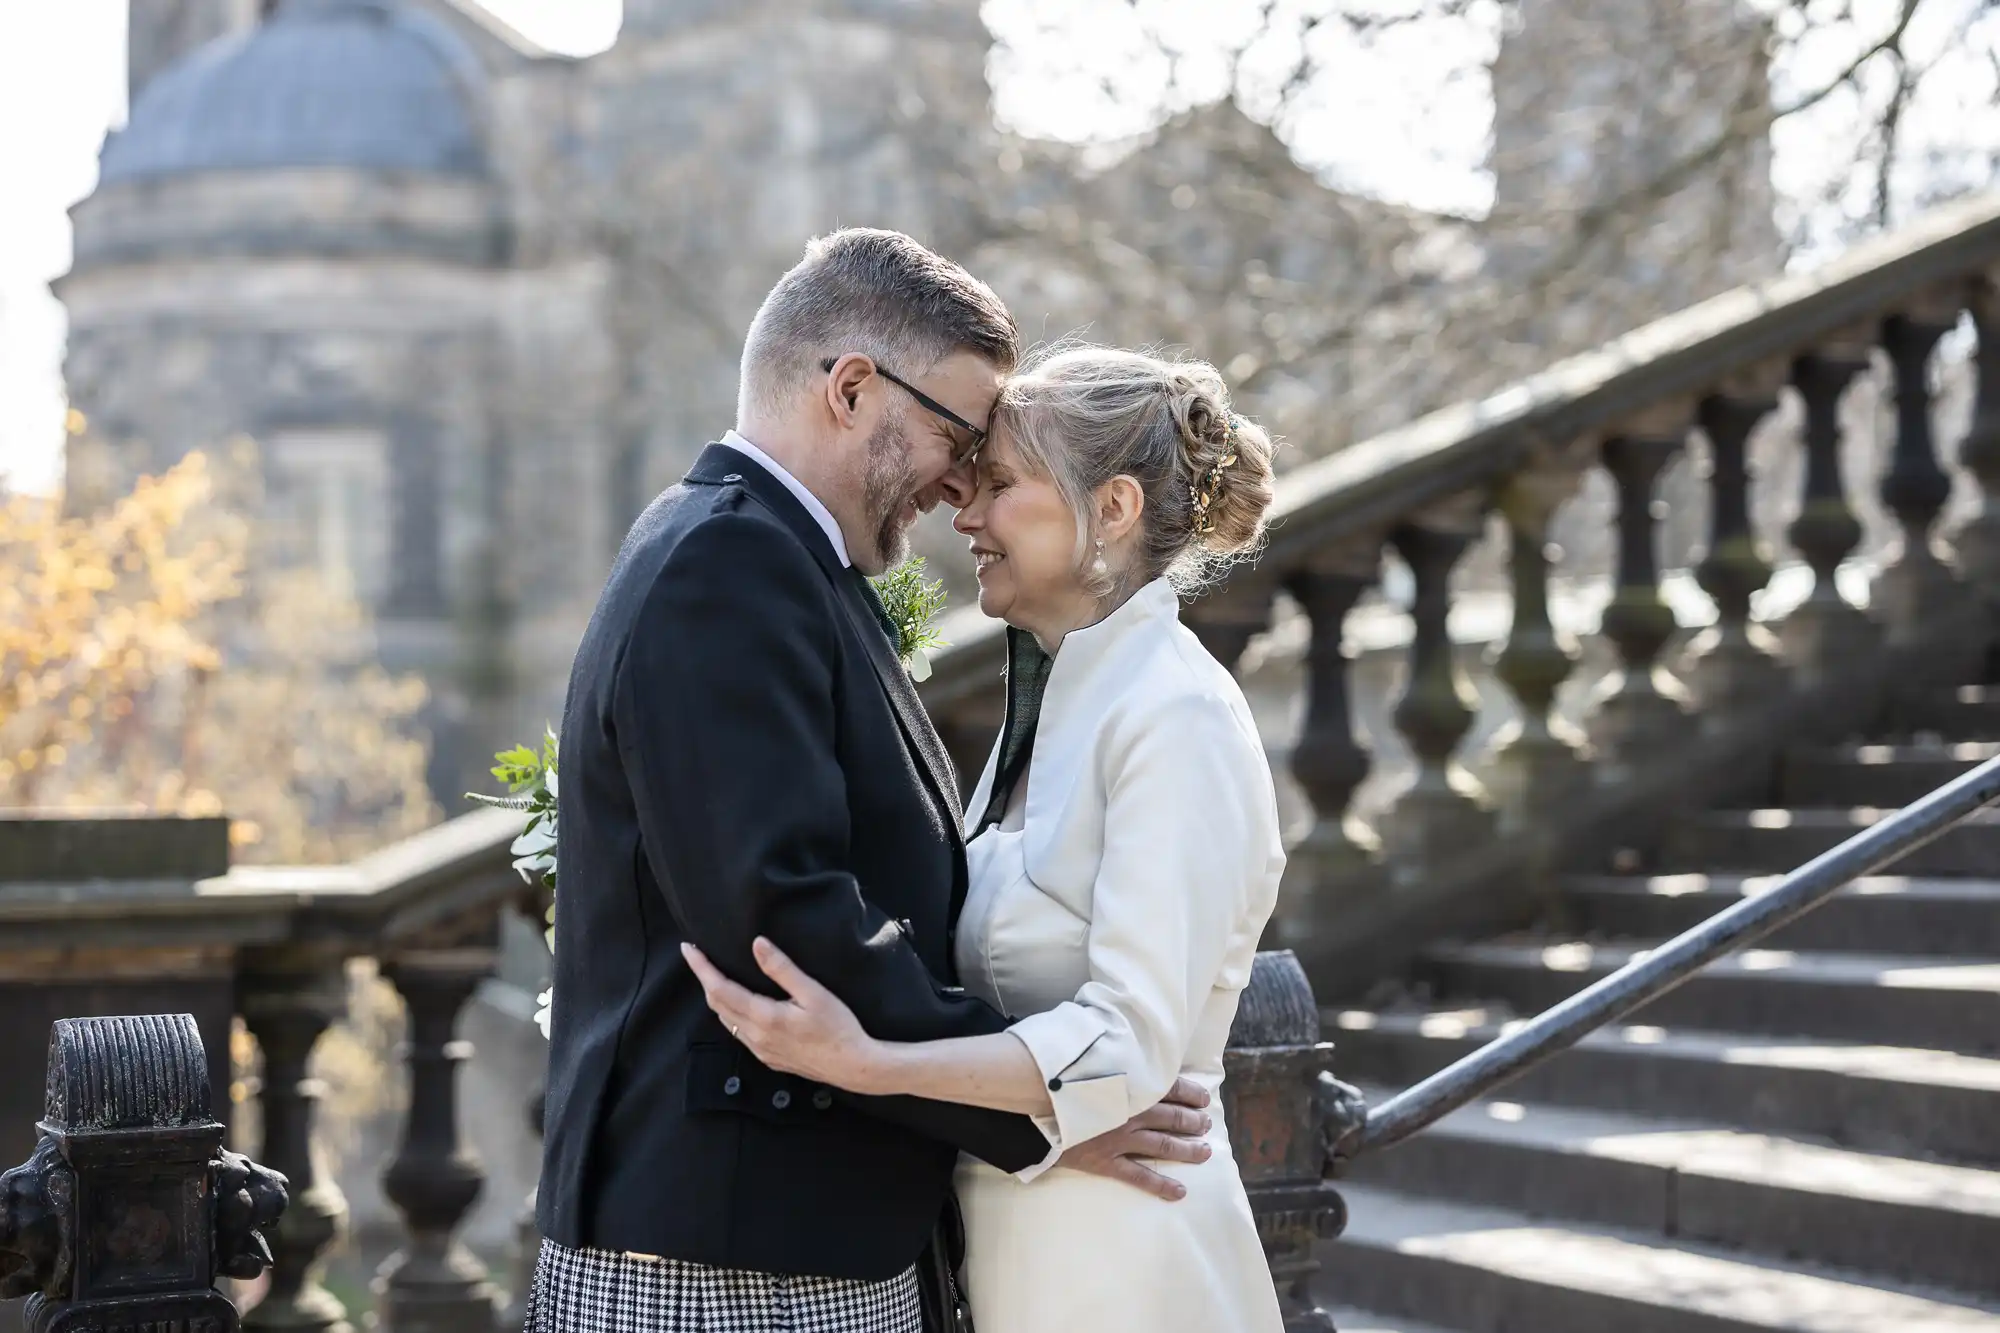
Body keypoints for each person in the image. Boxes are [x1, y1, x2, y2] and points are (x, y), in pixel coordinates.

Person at [529, 232, 1212, 1333]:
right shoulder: (728, 564)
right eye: (957, 434)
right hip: (730, 1261)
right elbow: (788, 920)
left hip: (772, 1234)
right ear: (851, 388)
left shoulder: (773, 559)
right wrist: (1038, 1109)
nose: (958, 486)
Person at [687, 344, 1288, 1333]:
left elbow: (1121, 1048)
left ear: (1113, 509)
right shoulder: (1054, 707)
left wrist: (866, 1061)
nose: (962, 514)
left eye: (999, 484)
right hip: (1023, 1261)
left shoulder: (1173, 715)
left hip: (1126, 1273)